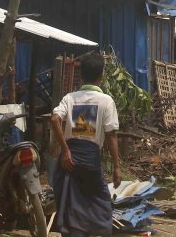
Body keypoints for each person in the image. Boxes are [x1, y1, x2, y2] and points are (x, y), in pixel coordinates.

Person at [50, 53, 121, 237]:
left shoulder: (70, 98)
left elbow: (55, 119)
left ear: (81, 76)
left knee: (71, 202)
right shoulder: (106, 101)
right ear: (101, 76)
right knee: (100, 202)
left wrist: (65, 150)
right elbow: (111, 135)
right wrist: (117, 168)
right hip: (90, 159)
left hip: (70, 159)